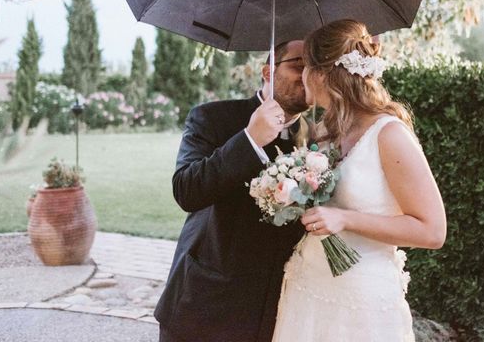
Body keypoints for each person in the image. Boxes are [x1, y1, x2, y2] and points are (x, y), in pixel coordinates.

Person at [272, 20, 447, 342]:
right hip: (309, 283)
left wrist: (344, 219)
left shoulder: (389, 134)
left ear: (322, 74)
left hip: (361, 298)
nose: (302, 76)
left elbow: (432, 231)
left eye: (305, 66)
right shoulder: (325, 132)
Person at [155, 40, 310, 342]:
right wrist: (250, 139)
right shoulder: (211, 118)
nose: (307, 75)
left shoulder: (317, 135)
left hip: (276, 311)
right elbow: (187, 191)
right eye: (298, 65)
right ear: (268, 71)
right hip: (206, 302)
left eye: (314, 68)